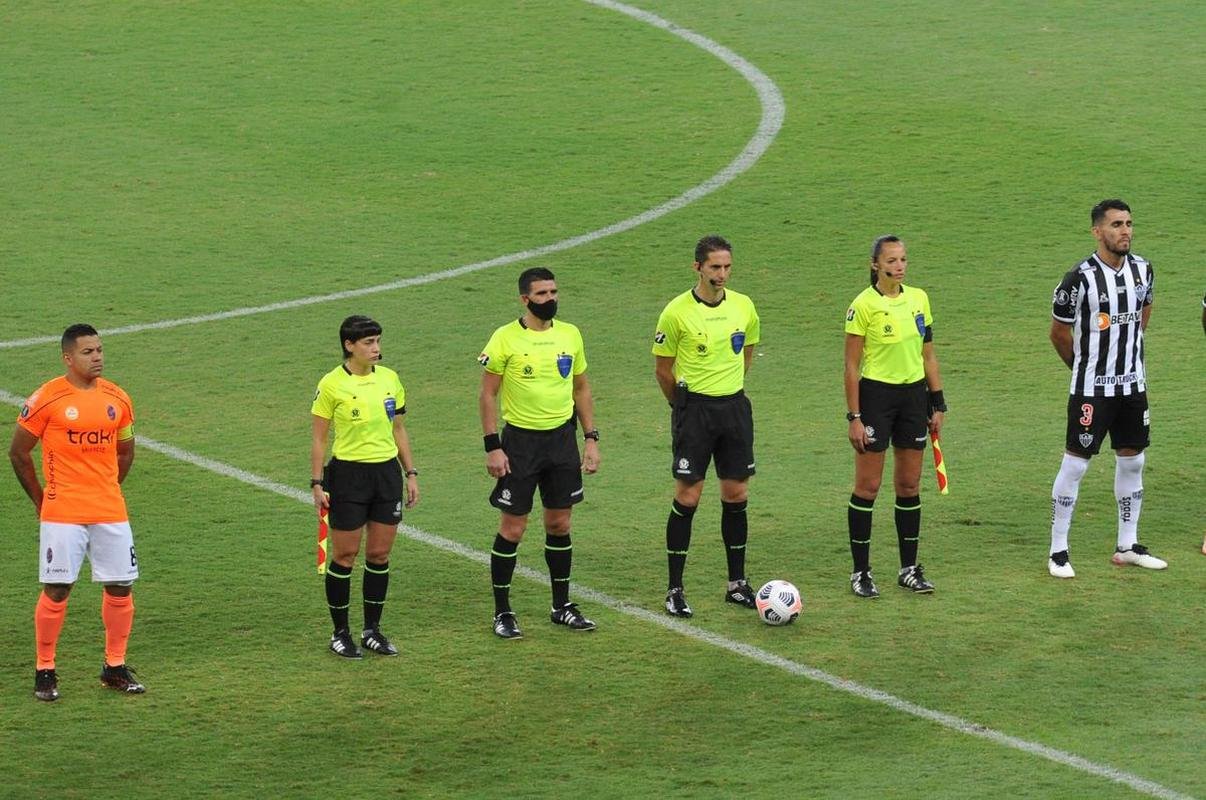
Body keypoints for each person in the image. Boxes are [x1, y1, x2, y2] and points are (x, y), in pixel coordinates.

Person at [9, 324, 144, 701]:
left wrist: (106, 487)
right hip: (62, 512)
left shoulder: (118, 398)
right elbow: (18, 453)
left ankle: (114, 667)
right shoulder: (47, 398)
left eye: (99, 350)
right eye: (88, 352)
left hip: (110, 510)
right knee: (57, 588)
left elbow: (126, 451)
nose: (97, 357)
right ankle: (45, 670)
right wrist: (41, 500)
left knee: (121, 584)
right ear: (67, 358)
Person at [479, 267, 600, 639]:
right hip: (520, 444)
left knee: (560, 524)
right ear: (525, 299)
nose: (550, 299)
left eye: (554, 292)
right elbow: (488, 394)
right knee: (513, 527)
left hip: (562, 441)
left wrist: (591, 438)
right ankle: (503, 612)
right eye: (542, 293)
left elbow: (581, 388)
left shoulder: (570, 334)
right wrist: (493, 446)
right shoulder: (504, 338)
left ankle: (561, 606)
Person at [1047, 199, 1166, 577]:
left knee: (1133, 460)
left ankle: (1127, 545)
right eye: (1116, 225)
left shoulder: (1144, 269)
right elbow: (1058, 333)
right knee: (1075, 465)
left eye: (1128, 223)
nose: (1125, 231)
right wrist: (1084, 368)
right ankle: (1058, 551)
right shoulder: (1078, 278)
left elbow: (1143, 314)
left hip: (1132, 386)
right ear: (1097, 231)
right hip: (1092, 389)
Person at [653, 235, 761, 617]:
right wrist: (681, 406)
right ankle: (674, 589)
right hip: (695, 412)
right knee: (688, 497)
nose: (722, 274)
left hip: (734, 408)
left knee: (736, 494)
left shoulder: (744, 306)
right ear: (697, 267)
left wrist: (727, 388)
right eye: (715, 267)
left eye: (727, 266)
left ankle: (736, 584)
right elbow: (663, 370)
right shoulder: (676, 313)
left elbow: (746, 353)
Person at [311, 315, 419, 658]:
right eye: (368, 343)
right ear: (349, 345)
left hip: (386, 475)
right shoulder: (331, 384)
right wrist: (317, 482)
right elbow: (319, 438)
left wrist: (410, 472)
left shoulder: (390, 379)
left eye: (378, 341)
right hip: (349, 476)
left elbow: (398, 429)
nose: (376, 348)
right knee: (344, 556)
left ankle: (372, 630)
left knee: (379, 555)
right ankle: (340, 633)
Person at [843, 235, 945, 598]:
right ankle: (861, 572)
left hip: (913, 398)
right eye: (891, 261)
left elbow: (928, 355)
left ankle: (909, 569)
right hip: (876, 398)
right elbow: (851, 366)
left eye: (903, 259)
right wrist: (854, 417)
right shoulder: (863, 306)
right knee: (868, 487)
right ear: (875, 265)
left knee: (909, 485)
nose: (899, 266)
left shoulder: (919, 299)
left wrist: (938, 402)